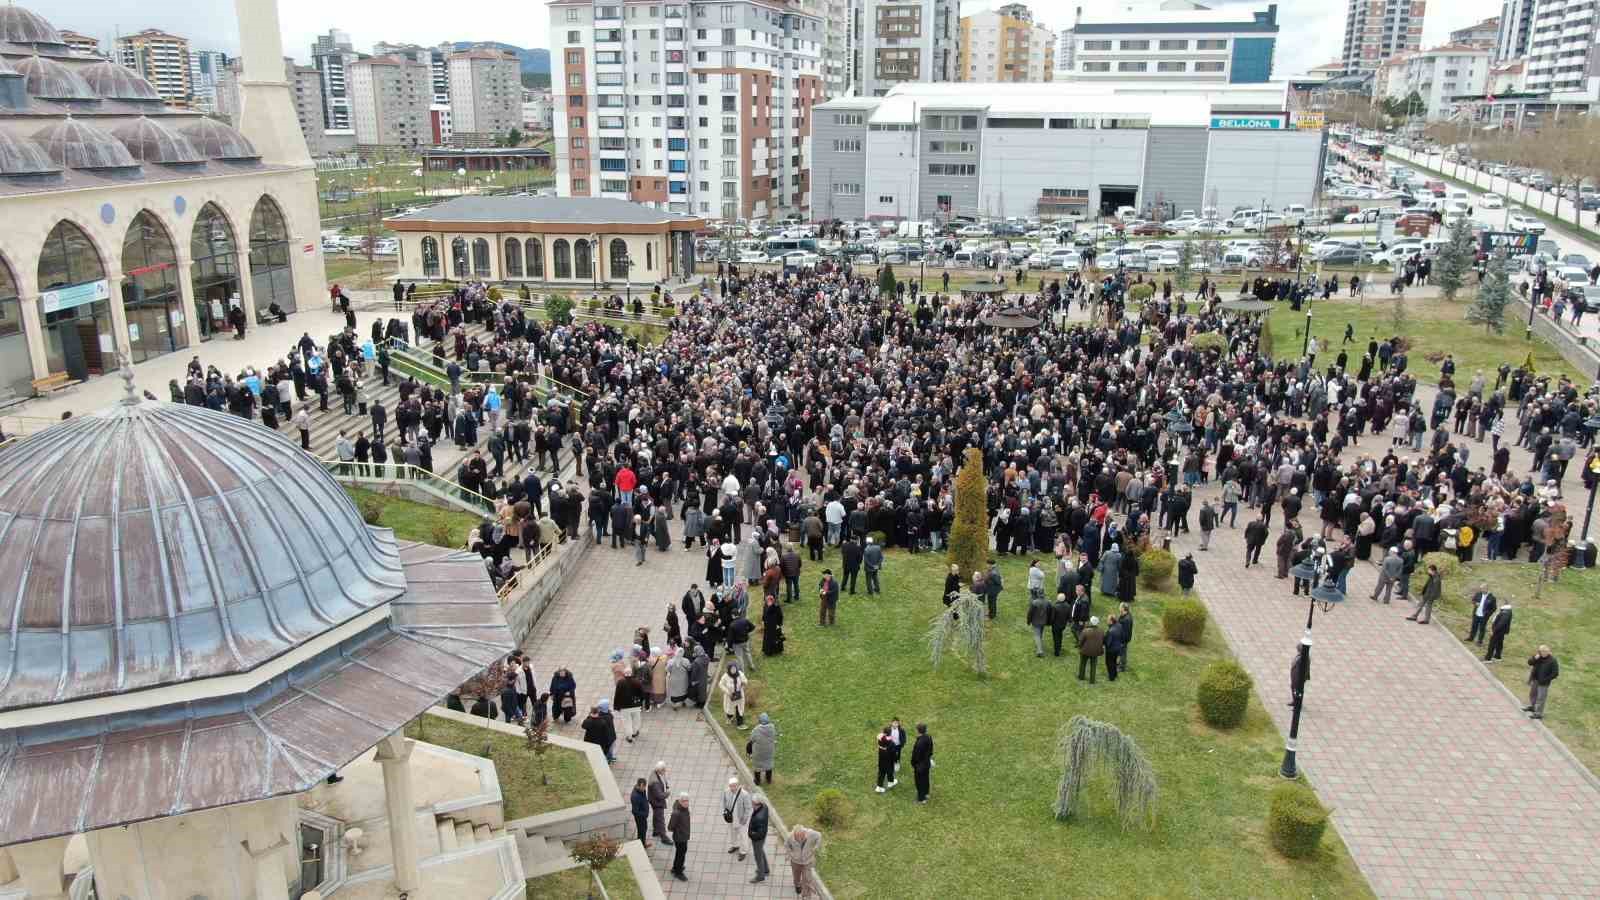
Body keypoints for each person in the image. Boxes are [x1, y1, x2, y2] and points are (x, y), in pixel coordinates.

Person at [785, 824, 823, 898]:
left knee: (807, 878)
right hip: (795, 861)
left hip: (807, 861)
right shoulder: (790, 836)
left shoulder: (811, 834)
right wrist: (791, 853)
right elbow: (786, 845)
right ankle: (797, 885)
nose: (799, 839)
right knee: (796, 876)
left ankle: (806, 894)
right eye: (797, 837)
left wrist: (816, 847)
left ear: (804, 833)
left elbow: (819, 835)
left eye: (801, 837)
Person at [1525, 645, 1559, 719]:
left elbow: (1555, 673)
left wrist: (1546, 679)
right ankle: (1533, 707)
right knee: (1532, 694)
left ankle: (1539, 713)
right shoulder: (1538, 657)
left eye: (1544, 652)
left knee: (1541, 698)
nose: (1542, 653)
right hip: (1535, 680)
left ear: (1548, 652)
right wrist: (1534, 658)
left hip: (1544, 683)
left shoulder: (1553, 660)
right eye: (1541, 651)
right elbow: (1529, 663)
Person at [722, 777, 752, 860]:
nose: (732, 788)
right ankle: (735, 845)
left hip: (741, 819)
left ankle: (743, 851)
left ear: (738, 785)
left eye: (734, 786)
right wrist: (725, 812)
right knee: (733, 833)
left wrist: (745, 819)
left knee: (743, 836)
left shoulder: (744, 794)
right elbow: (724, 802)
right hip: (731, 818)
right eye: (731, 786)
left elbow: (748, 808)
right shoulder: (726, 792)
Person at [747, 792, 772, 884]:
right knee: (761, 851)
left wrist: (751, 835)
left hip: (758, 839)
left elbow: (759, 833)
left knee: (758, 857)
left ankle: (760, 876)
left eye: (752, 802)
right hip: (762, 837)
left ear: (756, 804)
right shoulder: (764, 806)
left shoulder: (759, 817)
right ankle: (766, 869)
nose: (751, 804)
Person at [747, 712, 778, 784]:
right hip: (769, 752)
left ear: (760, 721)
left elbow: (752, 739)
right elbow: (774, 737)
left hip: (758, 753)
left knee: (757, 767)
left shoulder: (756, 730)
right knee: (769, 765)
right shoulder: (772, 728)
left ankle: (757, 781)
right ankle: (768, 780)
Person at [668, 792, 692, 881]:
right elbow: (670, 827)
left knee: (681, 853)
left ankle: (675, 868)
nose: (686, 803)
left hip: (684, 836)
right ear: (680, 801)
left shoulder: (685, 809)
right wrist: (678, 830)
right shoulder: (676, 813)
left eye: (687, 801)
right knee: (680, 854)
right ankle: (678, 872)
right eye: (684, 801)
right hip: (679, 837)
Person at [648, 762, 673, 845]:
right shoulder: (655, 782)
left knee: (656, 815)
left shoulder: (656, 773)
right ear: (660, 770)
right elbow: (660, 795)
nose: (665, 771)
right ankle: (664, 837)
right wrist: (667, 793)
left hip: (653, 799)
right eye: (664, 770)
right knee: (661, 819)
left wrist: (666, 785)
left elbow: (663, 780)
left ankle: (656, 831)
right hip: (657, 802)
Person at [719, 661, 749, 729]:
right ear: (729, 669)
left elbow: (745, 681)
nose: (733, 670)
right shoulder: (725, 676)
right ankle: (729, 718)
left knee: (740, 709)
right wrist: (727, 692)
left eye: (734, 669)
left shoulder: (740, 674)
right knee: (729, 709)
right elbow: (721, 684)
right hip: (730, 696)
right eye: (732, 669)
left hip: (739, 695)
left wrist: (744, 683)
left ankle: (740, 724)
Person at [910, 723, 934, 804]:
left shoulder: (919, 743)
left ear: (918, 731)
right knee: (925, 778)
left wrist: (913, 763)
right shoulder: (929, 737)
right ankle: (926, 793)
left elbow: (916, 756)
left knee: (919, 782)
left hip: (920, 765)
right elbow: (931, 750)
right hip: (927, 763)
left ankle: (921, 798)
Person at [1077, 615, 1105, 684]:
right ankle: (1092, 680)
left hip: (1085, 651)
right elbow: (1103, 641)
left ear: (1091, 623)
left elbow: (1080, 641)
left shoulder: (1085, 631)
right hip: (1096, 651)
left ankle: (1081, 676)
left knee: (1083, 663)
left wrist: (1079, 647)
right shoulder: (1101, 631)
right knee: (1093, 665)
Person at [1027, 591, 1052, 658]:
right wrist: (1049, 621)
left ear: (1038, 594)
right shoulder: (1048, 602)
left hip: (1036, 621)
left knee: (1037, 635)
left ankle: (1040, 651)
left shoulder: (1034, 602)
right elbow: (1050, 612)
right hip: (1044, 621)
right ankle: (1039, 645)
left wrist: (1028, 621)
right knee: (1040, 634)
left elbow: (1030, 613)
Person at [1049, 591, 1073, 658]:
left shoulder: (1055, 607)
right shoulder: (1068, 606)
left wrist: (1050, 623)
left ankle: (1057, 651)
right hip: (1063, 625)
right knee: (1060, 636)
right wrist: (1069, 622)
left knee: (1056, 637)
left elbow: (1052, 617)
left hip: (1055, 625)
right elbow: (1069, 616)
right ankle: (1059, 647)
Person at [875, 725, 897, 792]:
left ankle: (879, 787)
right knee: (890, 770)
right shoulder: (891, 743)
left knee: (881, 771)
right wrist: (895, 760)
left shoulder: (880, 739)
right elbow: (893, 753)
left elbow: (881, 735)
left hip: (881, 758)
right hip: (889, 759)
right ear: (890, 733)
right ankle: (891, 782)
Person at [631, 778, 652, 848]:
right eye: (644, 787)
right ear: (640, 785)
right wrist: (644, 814)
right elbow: (635, 811)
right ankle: (641, 845)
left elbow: (644, 798)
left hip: (643, 815)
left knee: (643, 829)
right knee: (641, 830)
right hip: (640, 817)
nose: (644, 788)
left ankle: (642, 843)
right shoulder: (635, 796)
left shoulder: (642, 791)